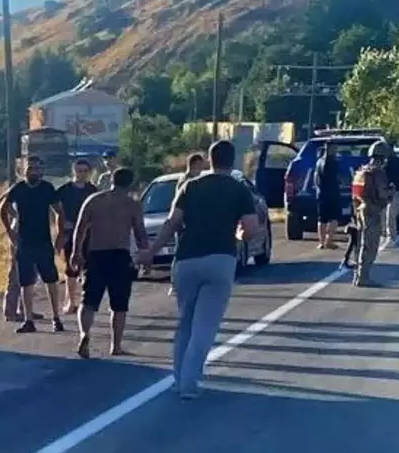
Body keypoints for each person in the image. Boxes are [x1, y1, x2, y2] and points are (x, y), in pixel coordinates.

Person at [139, 140, 260, 399]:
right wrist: (238, 235)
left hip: (186, 259)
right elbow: (250, 228)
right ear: (233, 160)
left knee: (185, 321)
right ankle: (189, 383)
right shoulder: (239, 190)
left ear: (209, 159)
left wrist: (151, 250)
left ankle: (178, 377)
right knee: (205, 325)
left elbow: (172, 222)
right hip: (220, 258)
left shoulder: (190, 186)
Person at [71, 167, 149, 358]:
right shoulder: (132, 205)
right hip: (120, 256)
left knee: (88, 301)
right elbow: (140, 232)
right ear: (130, 183)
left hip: (96, 254)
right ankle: (116, 345)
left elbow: (80, 227)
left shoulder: (94, 200)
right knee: (119, 305)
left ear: (112, 180)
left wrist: (76, 252)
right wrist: (145, 255)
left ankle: (84, 334)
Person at [0, 156, 65, 334]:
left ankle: (56, 317)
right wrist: (9, 231)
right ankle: (28, 319)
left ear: (43, 171)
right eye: (31, 168)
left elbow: (59, 211)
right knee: (25, 282)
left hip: (43, 241)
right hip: (24, 242)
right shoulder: (18, 189)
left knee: (51, 280)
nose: (34, 172)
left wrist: (60, 234)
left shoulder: (47, 188)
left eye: (37, 168)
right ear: (24, 170)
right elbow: (2, 208)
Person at [56, 158, 98, 314]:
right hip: (69, 233)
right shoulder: (64, 190)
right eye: (79, 171)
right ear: (73, 171)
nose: (82, 174)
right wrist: (62, 224)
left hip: (89, 233)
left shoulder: (93, 190)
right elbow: (55, 207)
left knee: (88, 267)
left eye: (85, 171)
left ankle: (85, 301)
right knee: (70, 267)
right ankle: (70, 301)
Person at [351, 140, 393, 288]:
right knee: (371, 245)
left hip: (360, 209)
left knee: (362, 244)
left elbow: (355, 193)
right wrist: (390, 192)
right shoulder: (377, 172)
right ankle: (363, 277)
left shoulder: (361, 171)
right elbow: (382, 194)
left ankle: (358, 276)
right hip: (372, 210)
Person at [168, 152, 207, 297]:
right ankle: (174, 283)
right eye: (201, 163)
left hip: (193, 221)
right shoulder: (186, 180)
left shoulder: (195, 179)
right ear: (195, 164)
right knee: (180, 253)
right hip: (185, 222)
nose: (203, 166)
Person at [314, 143, 341, 250]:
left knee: (322, 218)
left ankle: (321, 242)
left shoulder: (319, 161)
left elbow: (316, 178)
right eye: (334, 148)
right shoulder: (333, 162)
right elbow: (337, 178)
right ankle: (329, 241)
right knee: (334, 218)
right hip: (332, 193)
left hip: (321, 193)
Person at [384, 143, 399, 243]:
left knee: (391, 215)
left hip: (396, 191)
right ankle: (384, 234)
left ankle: (391, 236)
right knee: (383, 215)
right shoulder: (383, 162)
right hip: (383, 192)